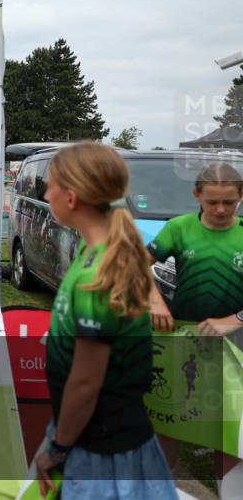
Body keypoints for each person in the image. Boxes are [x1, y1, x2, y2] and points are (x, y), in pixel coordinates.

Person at [36, 142, 176, 499]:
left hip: (100, 451)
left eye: (50, 185)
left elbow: (85, 383)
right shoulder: (96, 251)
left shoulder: (96, 275)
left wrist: (58, 447)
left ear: (71, 197)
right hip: (104, 437)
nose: (45, 193)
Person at [145, 162, 243, 468]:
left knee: (228, 427)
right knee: (170, 419)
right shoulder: (179, 227)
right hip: (181, 339)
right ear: (196, 195)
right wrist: (155, 302)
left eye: (229, 202)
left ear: (240, 196)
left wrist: (235, 320)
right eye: (212, 202)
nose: (221, 209)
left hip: (235, 344)